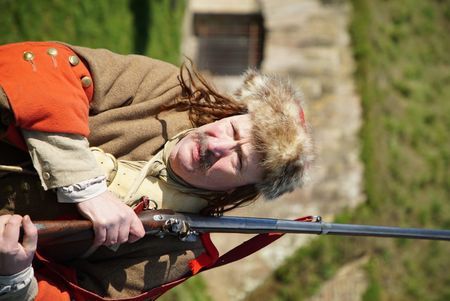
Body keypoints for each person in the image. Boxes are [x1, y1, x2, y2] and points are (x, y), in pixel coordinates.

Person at [0, 41, 314, 300]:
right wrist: (87, 188)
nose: (219, 146)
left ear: (241, 188)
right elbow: (44, 65)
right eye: (231, 130)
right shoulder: (169, 89)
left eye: (239, 160)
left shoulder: (177, 254)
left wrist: (14, 273)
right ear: (231, 114)